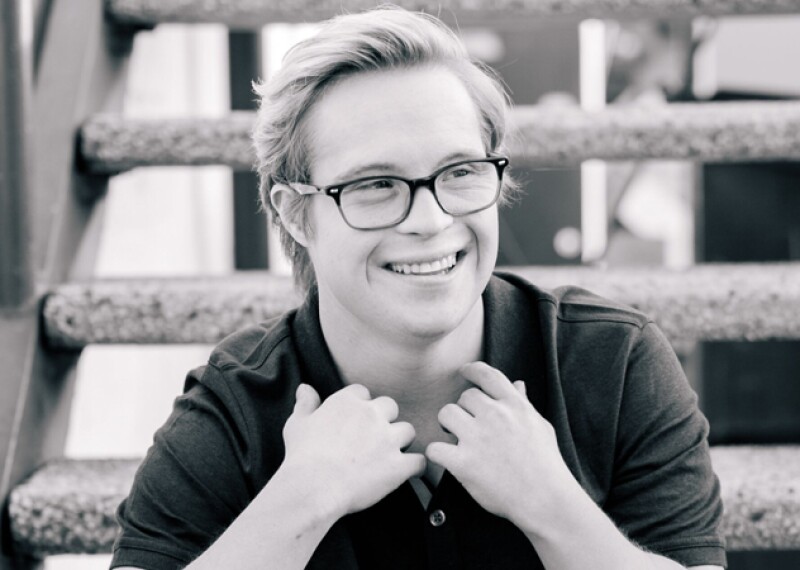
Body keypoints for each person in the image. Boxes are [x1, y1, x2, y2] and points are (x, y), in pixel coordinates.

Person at [111, 7, 726, 570]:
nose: (430, 222)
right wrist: (301, 500)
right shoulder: (239, 404)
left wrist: (553, 507)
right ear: (298, 214)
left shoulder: (612, 363)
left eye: (459, 172)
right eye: (376, 184)